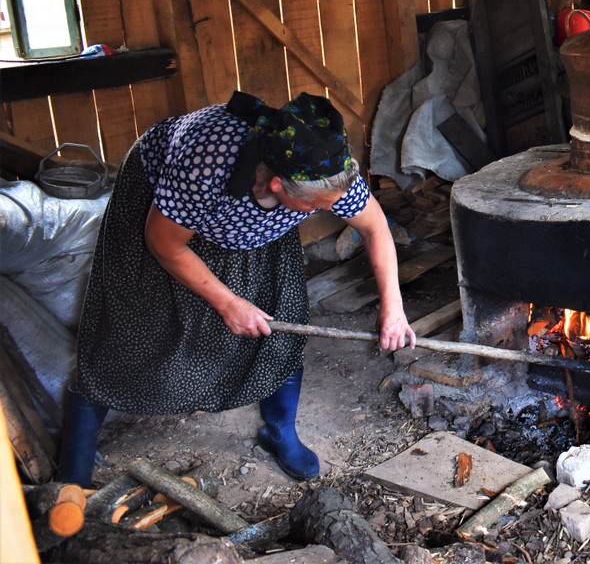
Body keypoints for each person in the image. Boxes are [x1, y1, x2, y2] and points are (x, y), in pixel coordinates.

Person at [57, 91, 417, 486]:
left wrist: (394, 307)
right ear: (279, 185)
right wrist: (228, 303)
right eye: (313, 207)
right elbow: (165, 243)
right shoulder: (206, 163)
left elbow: (374, 227)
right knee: (131, 329)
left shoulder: (324, 168)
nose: (324, 212)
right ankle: (76, 455)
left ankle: (279, 430)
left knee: (279, 322)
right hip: (166, 219)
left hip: (250, 224)